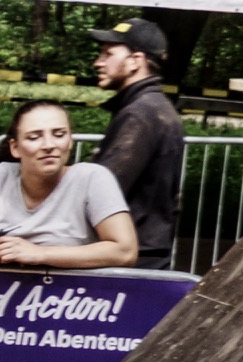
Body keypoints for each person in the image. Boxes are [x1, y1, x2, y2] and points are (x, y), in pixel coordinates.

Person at [87, 19, 183, 268]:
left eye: (108, 54)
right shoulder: (150, 107)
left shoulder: (141, 114)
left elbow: (104, 188)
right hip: (142, 253)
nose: (98, 62)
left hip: (133, 259)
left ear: (135, 61)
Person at [0, 101, 139, 270]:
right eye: (34, 137)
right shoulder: (3, 176)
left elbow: (125, 251)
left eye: (59, 135)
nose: (49, 145)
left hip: (74, 287)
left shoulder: (91, 178)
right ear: (15, 147)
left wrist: (41, 253)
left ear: (70, 141)